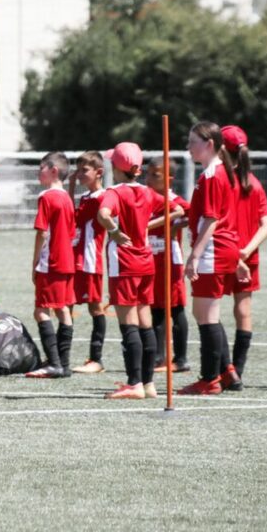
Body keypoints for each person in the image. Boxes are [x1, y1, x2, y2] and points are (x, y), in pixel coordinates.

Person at [178, 122, 241, 397]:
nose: (189, 146)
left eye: (194, 141)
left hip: (214, 251)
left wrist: (194, 255)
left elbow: (213, 220)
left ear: (210, 145)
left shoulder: (213, 175)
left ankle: (210, 378)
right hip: (217, 249)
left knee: (206, 314)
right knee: (205, 312)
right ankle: (226, 370)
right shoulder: (214, 173)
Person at [95, 142, 161, 400]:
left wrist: (113, 230)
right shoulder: (147, 191)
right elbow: (174, 207)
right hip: (146, 261)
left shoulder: (115, 191)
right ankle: (148, 383)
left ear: (116, 166)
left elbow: (103, 213)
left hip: (123, 262)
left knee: (128, 324)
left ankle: (133, 383)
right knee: (146, 322)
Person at [218, 125, 267, 390]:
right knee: (244, 312)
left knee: (209, 310)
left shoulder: (223, 183)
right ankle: (237, 370)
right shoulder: (255, 183)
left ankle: (227, 369)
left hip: (222, 252)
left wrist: (235, 254)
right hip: (246, 256)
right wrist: (246, 252)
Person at [25, 152, 76, 378]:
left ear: (53, 170)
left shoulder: (47, 197)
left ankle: (54, 363)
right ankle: (63, 363)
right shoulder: (67, 198)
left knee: (41, 311)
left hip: (51, 261)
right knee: (63, 308)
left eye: (42, 167)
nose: (39, 172)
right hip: (67, 261)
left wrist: (35, 260)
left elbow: (42, 232)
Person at [145, 156, 191, 374]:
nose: (149, 179)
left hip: (170, 261)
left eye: (155, 175)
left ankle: (180, 359)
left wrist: (177, 225)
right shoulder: (147, 198)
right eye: (148, 173)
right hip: (151, 260)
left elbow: (196, 215)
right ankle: (158, 357)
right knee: (156, 309)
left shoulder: (175, 201)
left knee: (175, 307)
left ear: (169, 178)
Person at [70, 151, 109, 374]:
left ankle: (96, 359)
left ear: (99, 172)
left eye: (84, 170)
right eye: (78, 169)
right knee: (65, 304)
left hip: (90, 261)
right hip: (75, 259)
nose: (79, 174)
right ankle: (59, 357)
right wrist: (74, 186)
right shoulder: (86, 198)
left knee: (95, 307)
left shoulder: (101, 198)